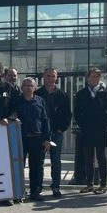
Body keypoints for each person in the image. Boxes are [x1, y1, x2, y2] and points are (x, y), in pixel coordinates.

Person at [8, 78, 52, 202]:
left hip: (37, 139)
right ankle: (18, 193)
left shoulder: (40, 101)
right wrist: (13, 118)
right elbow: (10, 116)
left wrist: (47, 138)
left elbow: (45, 120)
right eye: (25, 85)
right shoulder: (16, 101)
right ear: (21, 87)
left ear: (35, 88)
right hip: (19, 139)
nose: (28, 88)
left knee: (37, 167)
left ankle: (35, 192)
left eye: (30, 86)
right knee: (18, 167)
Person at [73, 68, 107, 195]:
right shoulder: (81, 94)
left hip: (100, 130)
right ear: (87, 78)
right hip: (86, 130)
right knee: (88, 158)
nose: (95, 78)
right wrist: (83, 125)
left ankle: (103, 184)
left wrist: (103, 124)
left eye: (97, 76)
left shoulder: (105, 94)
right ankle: (89, 184)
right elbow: (77, 112)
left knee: (101, 157)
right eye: (93, 76)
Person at [35, 68, 72, 198]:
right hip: (41, 134)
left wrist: (62, 128)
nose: (51, 78)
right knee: (39, 161)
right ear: (43, 77)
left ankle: (55, 187)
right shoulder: (37, 93)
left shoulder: (62, 95)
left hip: (56, 133)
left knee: (56, 161)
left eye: (53, 76)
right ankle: (37, 187)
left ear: (56, 78)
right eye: (48, 76)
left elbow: (68, 114)